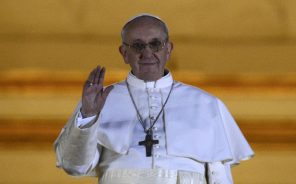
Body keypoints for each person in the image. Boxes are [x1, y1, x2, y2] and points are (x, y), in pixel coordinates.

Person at [54, 13, 254, 184]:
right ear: (124, 53)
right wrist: (88, 116)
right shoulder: (98, 101)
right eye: (138, 46)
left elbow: (220, 176)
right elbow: (74, 167)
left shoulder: (206, 104)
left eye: (155, 44)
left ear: (168, 49)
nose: (147, 53)